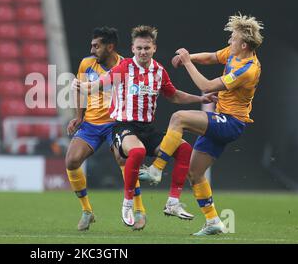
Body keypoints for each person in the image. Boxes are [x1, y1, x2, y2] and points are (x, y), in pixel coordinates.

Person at [74, 25, 216, 228]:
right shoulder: (124, 68)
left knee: (184, 149)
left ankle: (173, 202)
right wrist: (85, 86)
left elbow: (174, 95)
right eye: (139, 48)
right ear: (132, 48)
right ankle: (127, 203)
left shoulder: (158, 71)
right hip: (124, 127)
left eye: (146, 48)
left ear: (154, 48)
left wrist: (200, 97)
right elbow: (101, 83)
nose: (143, 52)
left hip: (148, 129)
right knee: (138, 151)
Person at [142, 13, 263, 236]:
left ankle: (156, 169)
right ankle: (213, 221)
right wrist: (192, 58)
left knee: (179, 118)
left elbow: (207, 86)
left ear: (244, 44)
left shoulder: (248, 69)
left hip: (231, 122)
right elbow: (211, 57)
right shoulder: (235, 54)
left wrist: (187, 61)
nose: (229, 42)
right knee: (195, 173)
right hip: (222, 118)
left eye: (233, 39)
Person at [66, 27, 150, 231]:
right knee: (72, 161)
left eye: (97, 46)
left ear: (110, 47)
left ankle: (139, 211)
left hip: (116, 123)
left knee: (124, 159)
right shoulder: (87, 64)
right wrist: (79, 116)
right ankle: (87, 211)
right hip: (92, 125)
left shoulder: (127, 66)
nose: (92, 50)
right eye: (92, 46)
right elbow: (79, 90)